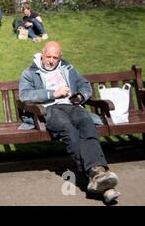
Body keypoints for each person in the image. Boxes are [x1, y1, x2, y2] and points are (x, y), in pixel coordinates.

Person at [19, 41, 120, 203]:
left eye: (55, 57)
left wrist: (80, 97)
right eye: (48, 56)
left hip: (72, 106)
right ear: (42, 54)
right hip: (50, 109)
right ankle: (99, 177)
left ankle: (98, 177)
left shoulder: (68, 68)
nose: (51, 60)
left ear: (60, 58)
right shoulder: (30, 73)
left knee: (87, 126)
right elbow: (25, 95)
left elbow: (85, 85)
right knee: (69, 132)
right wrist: (53, 93)